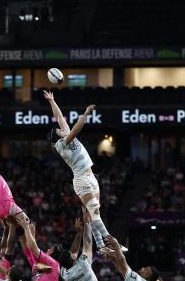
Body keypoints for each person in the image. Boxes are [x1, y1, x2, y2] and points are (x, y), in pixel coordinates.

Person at [43, 91, 125, 254]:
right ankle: (111, 243)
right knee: (94, 212)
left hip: (90, 177)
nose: (61, 128)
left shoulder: (63, 137)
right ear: (57, 138)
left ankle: (101, 245)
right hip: (81, 180)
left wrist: (52, 101)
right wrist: (86, 113)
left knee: (95, 213)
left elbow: (59, 118)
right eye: (58, 130)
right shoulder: (62, 145)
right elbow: (75, 130)